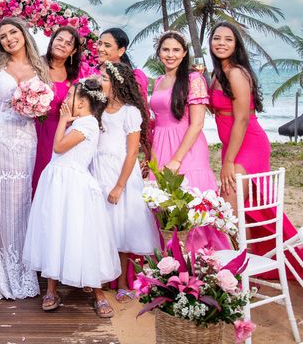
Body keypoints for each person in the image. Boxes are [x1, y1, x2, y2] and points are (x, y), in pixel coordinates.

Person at [209, 22, 303, 276]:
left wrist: (228, 162)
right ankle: (248, 269)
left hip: (248, 144)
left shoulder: (236, 73)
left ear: (236, 45)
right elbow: (218, 111)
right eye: (217, 38)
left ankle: (244, 269)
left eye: (228, 39)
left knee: (227, 208)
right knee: (238, 212)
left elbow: (240, 119)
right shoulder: (216, 74)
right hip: (233, 145)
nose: (221, 43)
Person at [0, 17, 50, 301]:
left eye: (13, 32)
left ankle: (21, 269)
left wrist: (34, 107)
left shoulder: (39, 66)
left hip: (25, 141)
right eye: (3, 36)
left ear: (23, 33)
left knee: (19, 202)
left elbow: (45, 107)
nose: (8, 39)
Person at [24, 79, 120, 318]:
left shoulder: (88, 124)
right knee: (53, 231)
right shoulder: (78, 122)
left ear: (84, 101)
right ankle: (51, 289)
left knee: (84, 234)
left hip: (73, 183)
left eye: (70, 97)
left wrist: (63, 121)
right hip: (56, 182)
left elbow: (58, 147)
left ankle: (98, 293)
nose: (65, 101)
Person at [92, 61, 159, 303]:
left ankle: (121, 282)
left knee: (121, 230)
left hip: (119, 173)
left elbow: (132, 152)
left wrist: (120, 185)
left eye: (105, 78)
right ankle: (98, 278)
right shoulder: (97, 107)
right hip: (97, 170)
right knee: (103, 228)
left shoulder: (130, 111)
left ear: (118, 83)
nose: (101, 82)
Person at [149, 31, 218, 192]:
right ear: (159, 52)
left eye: (176, 50)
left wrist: (177, 160)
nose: (170, 55)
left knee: (189, 203)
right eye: (166, 50)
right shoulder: (159, 81)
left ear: (184, 53)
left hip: (186, 148)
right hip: (160, 146)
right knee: (161, 204)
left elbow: (197, 123)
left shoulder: (193, 79)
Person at [32, 26, 82, 194]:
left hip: (59, 133)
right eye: (59, 40)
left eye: (68, 43)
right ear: (52, 41)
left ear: (73, 51)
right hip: (32, 127)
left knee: (51, 183)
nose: (62, 45)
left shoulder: (74, 74)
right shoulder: (36, 65)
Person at [97, 28, 148, 101]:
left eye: (107, 45)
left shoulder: (135, 77)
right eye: (99, 43)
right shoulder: (90, 72)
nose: (100, 49)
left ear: (121, 51)